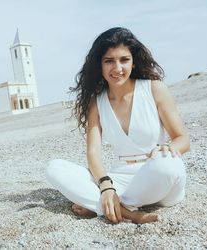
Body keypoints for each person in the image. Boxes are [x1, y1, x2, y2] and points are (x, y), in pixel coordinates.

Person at [46, 27, 190, 224]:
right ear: (99, 65)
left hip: (158, 174)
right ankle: (127, 211)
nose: (117, 68)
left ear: (133, 61)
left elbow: (183, 139)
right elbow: (93, 153)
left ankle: (101, 206)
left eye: (124, 60)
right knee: (54, 168)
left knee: (167, 164)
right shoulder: (96, 102)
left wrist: (169, 148)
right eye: (109, 61)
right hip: (120, 178)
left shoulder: (154, 89)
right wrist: (106, 187)